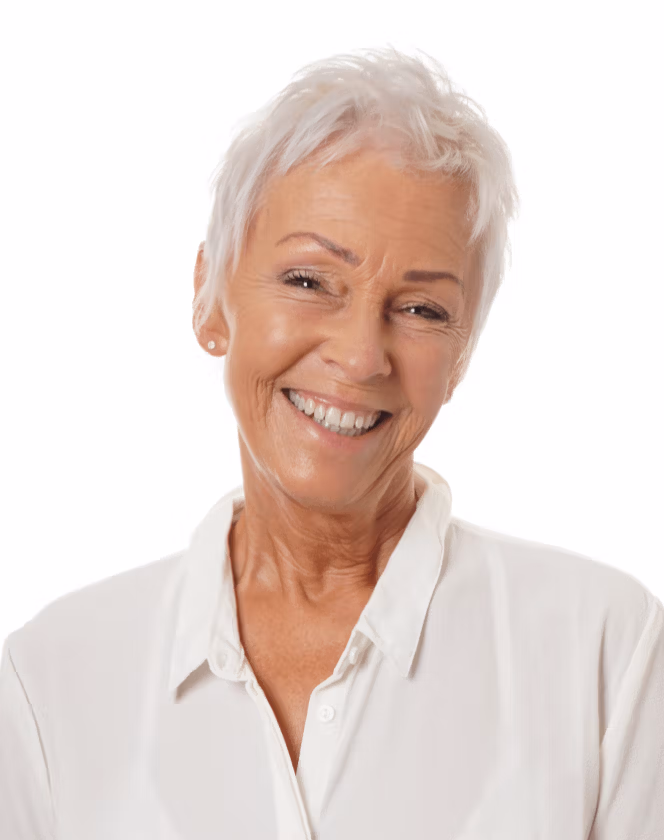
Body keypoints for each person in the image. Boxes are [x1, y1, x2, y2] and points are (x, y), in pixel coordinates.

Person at [1, 47, 662, 840]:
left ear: (460, 359)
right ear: (210, 299)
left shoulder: (608, 654)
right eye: (309, 281)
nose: (359, 356)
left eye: (421, 309)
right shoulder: (50, 680)